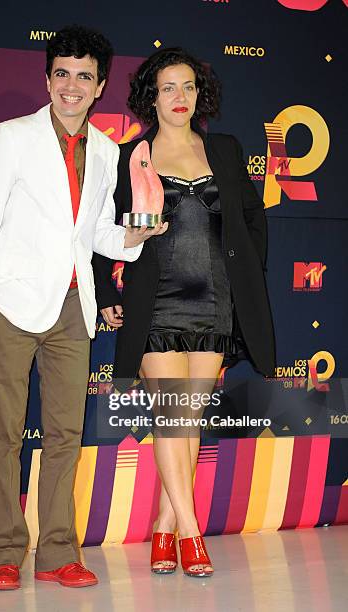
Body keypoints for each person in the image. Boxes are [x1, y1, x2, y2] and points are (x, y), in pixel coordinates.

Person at [0, 25, 165, 591]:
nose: (71, 86)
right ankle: (3, 552)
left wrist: (138, 235)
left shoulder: (104, 149)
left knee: (64, 437)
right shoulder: (11, 137)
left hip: (75, 309)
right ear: (47, 78)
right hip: (12, 306)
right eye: (61, 74)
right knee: (3, 435)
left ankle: (57, 553)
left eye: (83, 76)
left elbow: (95, 231)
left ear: (99, 86)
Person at [92, 47, 275, 578]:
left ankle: (165, 525)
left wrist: (246, 279)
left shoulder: (224, 147)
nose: (180, 97)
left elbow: (252, 219)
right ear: (151, 95)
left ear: (201, 93)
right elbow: (105, 234)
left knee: (187, 424)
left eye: (189, 86)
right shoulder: (133, 153)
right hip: (158, 302)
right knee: (171, 419)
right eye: (168, 87)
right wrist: (108, 292)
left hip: (215, 303)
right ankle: (192, 535)